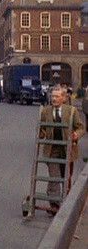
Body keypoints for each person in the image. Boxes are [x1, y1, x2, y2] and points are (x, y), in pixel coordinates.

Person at [39, 86, 85, 215]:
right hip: (52, 148)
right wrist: (42, 133)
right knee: (54, 176)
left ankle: (66, 202)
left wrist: (76, 134)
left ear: (64, 98)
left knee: (66, 177)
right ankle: (54, 204)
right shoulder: (46, 111)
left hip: (67, 149)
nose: (53, 99)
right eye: (52, 96)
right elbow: (42, 127)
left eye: (57, 96)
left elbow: (81, 127)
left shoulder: (71, 111)